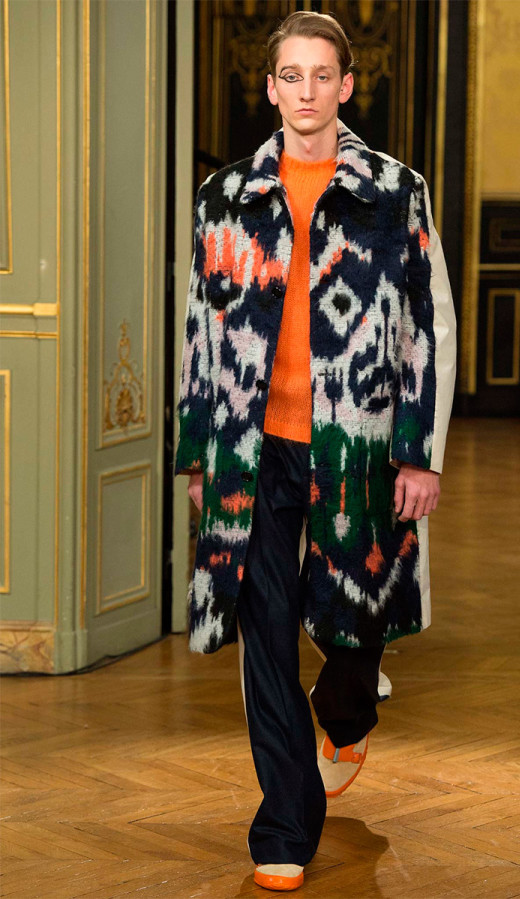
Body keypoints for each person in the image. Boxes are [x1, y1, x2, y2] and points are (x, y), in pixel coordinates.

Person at [175, 10, 456, 893]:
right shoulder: (225, 196)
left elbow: (428, 326)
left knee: (354, 617)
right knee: (264, 627)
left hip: (356, 443)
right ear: (270, 88)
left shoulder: (393, 190)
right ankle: (285, 824)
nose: (306, 92)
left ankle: (347, 708)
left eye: (321, 75)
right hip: (251, 444)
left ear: (346, 85)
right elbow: (200, 330)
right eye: (290, 76)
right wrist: (198, 453)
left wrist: (420, 452)